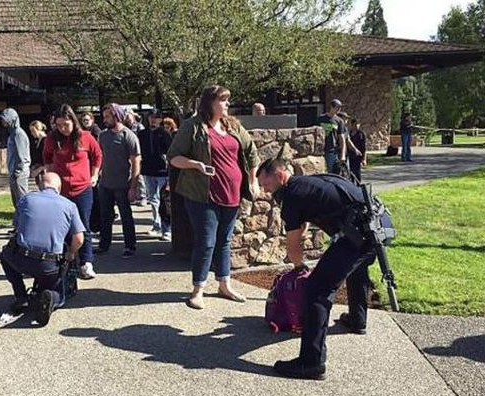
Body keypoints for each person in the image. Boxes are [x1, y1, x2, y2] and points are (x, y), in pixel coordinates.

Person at [257, 158, 377, 380]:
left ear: (280, 175)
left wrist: (299, 267)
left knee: (315, 290)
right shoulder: (307, 184)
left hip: (357, 234)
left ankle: (311, 362)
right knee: (355, 268)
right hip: (375, 226)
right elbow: (302, 225)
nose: (266, 191)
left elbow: (293, 244)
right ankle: (357, 319)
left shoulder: (291, 196)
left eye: (267, 185)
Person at [168, 85, 260, 310]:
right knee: (206, 242)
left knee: (224, 242)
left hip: (232, 194)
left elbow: (251, 152)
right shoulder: (193, 127)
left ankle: (224, 285)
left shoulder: (233, 126)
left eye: (228, 100)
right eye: (223, 100)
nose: (227, 104)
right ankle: (198, 289)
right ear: (210, 102)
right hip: (202, 194)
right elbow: (173, 157)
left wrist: (252, 179)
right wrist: (195, 164)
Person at [0, 172, 85, 326]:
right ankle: (52, 297)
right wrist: (71, 254)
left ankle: (21, 296)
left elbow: (17, 226)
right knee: (58, 290)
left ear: (40, 186)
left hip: (21, 259)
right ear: (59, 188)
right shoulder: (69, 206)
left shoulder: (26, 199)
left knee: (4, 257)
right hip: (48, 265)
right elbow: (79, 239)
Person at [39, 104, 102, 280]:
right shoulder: (51, 139)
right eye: (59, 125)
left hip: (83, 188)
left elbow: (97, 155)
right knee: (63, 227)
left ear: (73, 122)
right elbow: (47, 158)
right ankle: (67, 261)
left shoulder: (86, 137)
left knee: (84, 226)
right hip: (61, 191)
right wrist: (50, 178)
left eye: (66, 124)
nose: (63, 129)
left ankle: (86, 262)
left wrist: (95, 174)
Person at [97, 103, 141, 258]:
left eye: (108, 116)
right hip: (105, 183)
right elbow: (99, 157)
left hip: (123, 184)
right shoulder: (102, 135)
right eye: (104, 117)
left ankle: (130, 246)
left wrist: (133, 187)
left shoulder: (128, 136)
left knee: (125, 216)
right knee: (105, 215)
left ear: (116, 116)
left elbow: (136, 161)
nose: (105, 120)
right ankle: (104, 244)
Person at [138, 110, 173, 241]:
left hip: (162, 171)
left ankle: (166, 228)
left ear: (160, 120)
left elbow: (170, 152)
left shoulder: (164, 134)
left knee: (165, 200)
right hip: (148, 170)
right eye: (151, 117)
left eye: (156, 118)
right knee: (153, 199)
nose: (153, 120)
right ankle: (156, 225)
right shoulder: (142, 134)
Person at [0, 108, 31, 209]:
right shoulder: (12, 134)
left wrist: (18, 171)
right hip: (14, 172)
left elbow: (21, 154)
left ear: (12, 119)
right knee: (16, 201)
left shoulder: (18, 134)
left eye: (6, 119)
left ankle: (25, 220)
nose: (4, 122)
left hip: (19, 173)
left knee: (21, 199)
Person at [317, 99, 346, 173]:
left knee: (332, 173)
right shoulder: (320, 119)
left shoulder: (339, 121)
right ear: (331, 107)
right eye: (337, 107)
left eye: (340, 107)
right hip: (320, 150)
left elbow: (342, 139)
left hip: (332, 151)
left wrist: (343, 155)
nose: (339, 109)